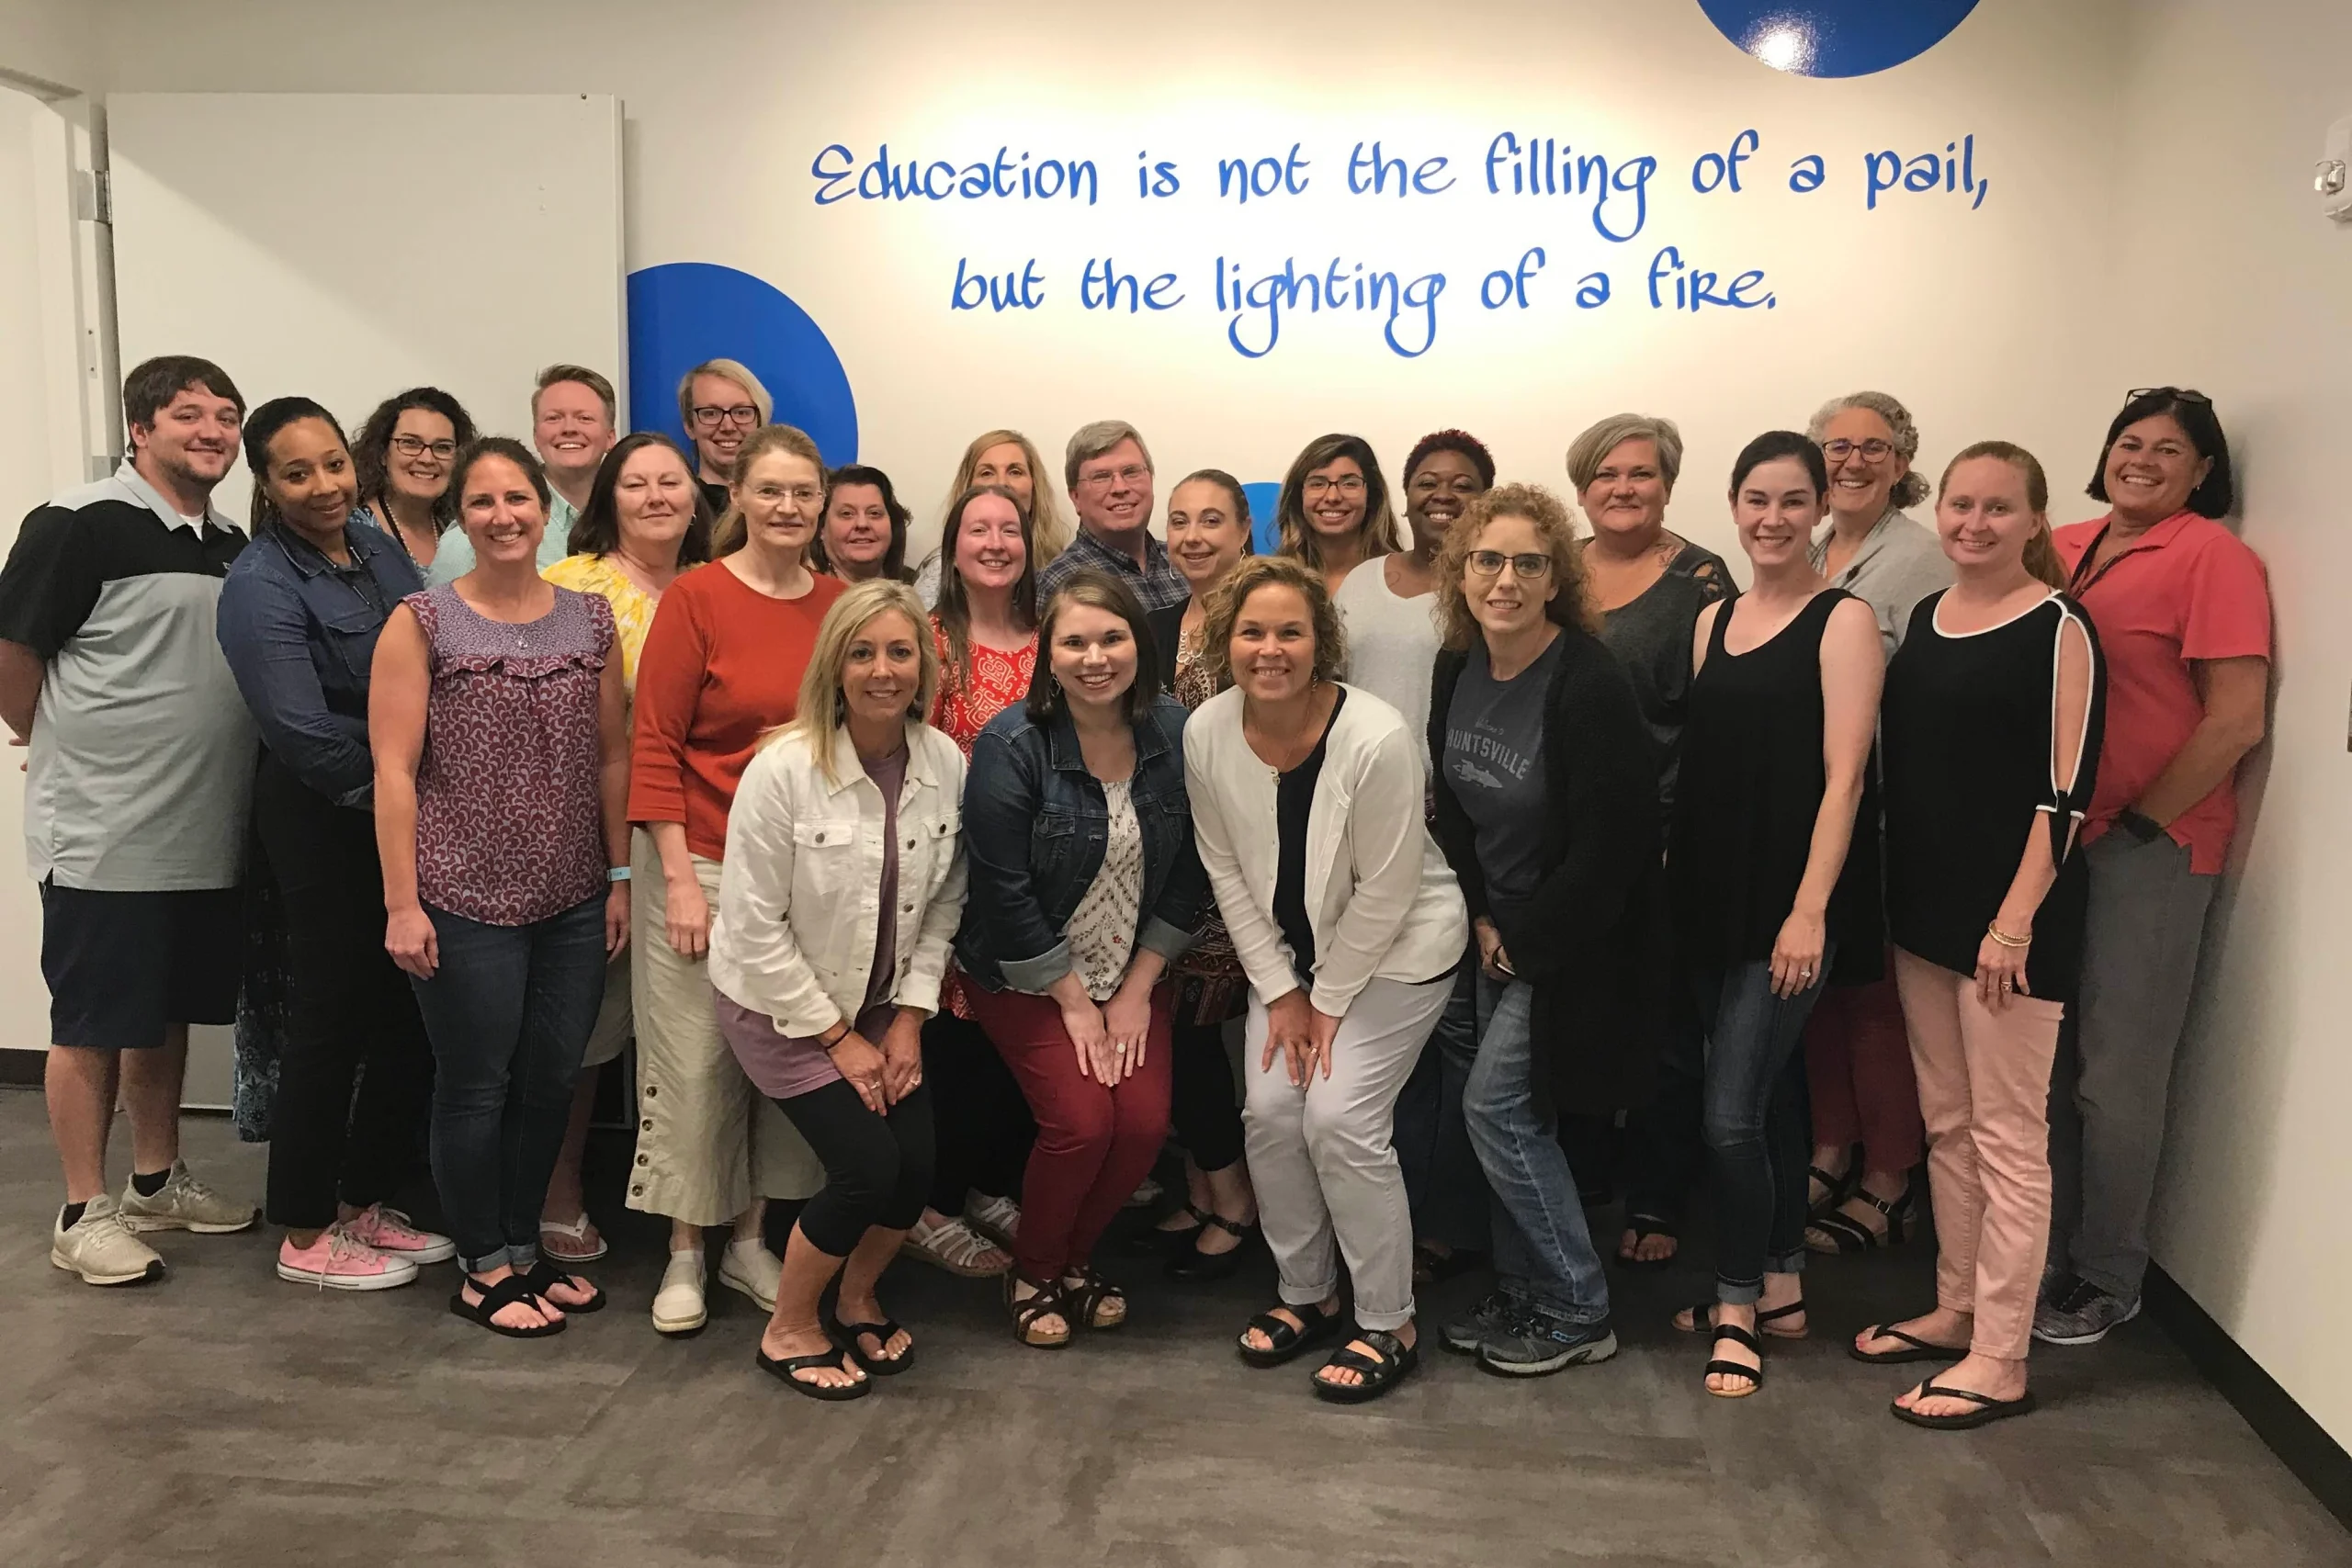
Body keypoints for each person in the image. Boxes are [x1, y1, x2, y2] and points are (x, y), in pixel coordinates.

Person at [1853, 442, 2104, 1429]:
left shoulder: (2058, 627)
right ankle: (1957, 1307)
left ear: (2034, 521)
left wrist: (2012, 922)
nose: (1974, 523)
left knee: (2008, 1139)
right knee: (1946, 1124)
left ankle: (2001, 1355)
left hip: (2011, 928)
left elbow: (2065, 794)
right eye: (1960, 505)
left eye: (1999, 508)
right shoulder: (1928, 616)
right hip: (1923, 913)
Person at [0, 355, 260, 1283]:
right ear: (140, 426)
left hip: (204, 827)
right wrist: (54, 740)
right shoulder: (78, 524)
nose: (214, 433)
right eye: (189, 415)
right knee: (92, 1021)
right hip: (104, 831)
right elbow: (15, 652)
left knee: (161, 1017)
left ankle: (157, 1182)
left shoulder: (233, 541)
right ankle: (82, 1208)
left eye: (227, 418)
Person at [1185, 555, 1466, 1404]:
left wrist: (1327, 1004)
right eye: (1252, 632)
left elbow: (1387, 889)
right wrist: (1282, 992)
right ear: (1227, 641)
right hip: (1292, 967)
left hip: (1398, 952)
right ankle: (1307, 1291)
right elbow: (1225, 871)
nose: (1271, 649)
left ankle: (1388, 1318)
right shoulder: (1205, 731)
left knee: (1340, 1117)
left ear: (1323, 642)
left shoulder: (1376, 736)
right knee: (1269, 1111)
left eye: (1291, 632)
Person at [369, 438, 628, 1337]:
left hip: (571, 895)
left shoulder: (591, 624)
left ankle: (525, 1247)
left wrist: (620, 875)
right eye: (481, 502)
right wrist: (403, 903)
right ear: (460, 518)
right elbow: (393, 773)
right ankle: (482, 1265)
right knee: (475, 1084)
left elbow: (611, 757)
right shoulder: (423, 621)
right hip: (460, 895)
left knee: (550, 1082)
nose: (504, 515)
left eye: (517, 497)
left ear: (543, 509)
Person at [2037, 389, 2269, 1347]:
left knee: (2115, 1075)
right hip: (2051, 847)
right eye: (2128, 442)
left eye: (2168, 449)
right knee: (2043, 1070)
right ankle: (2039, 1255)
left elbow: (2235, 719)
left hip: (2150, 850)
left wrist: (2136, 824)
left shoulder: (2213, 558)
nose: (2142, 460)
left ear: (2203, 470)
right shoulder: (2062, 545)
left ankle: (2105, 1274)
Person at [1426, 484, 1667, 1375]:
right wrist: (1485, 912)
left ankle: (1576, 1304)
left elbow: (1615, 847)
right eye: (1488, 560)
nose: (1506, 580)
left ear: (1555, 577)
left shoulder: (1586, 681)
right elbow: (1452, 803)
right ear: (1462, 572)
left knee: (1497, 1111)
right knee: (1508, 1111)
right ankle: (1524, 1289)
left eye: (1529, 563)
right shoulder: (1457, 664)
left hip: (1574, 945)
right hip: (1500, 928)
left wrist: (1524, 940)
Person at [710, 581, 969, 1399]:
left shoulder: (943, 760)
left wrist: (908, 1020)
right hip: (778, 1004)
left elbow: (945, 901)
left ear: (924, 666)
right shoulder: (783, 767)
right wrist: (837, 1036)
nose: (883, 670)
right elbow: (752, 926)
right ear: (835, 664)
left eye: (900, 652)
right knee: (865, 1164)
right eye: (863, 652)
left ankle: (857, 1296)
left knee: (918, 1161)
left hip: (883, 1002)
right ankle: (788, 1326)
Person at [216, 397, 449, 1290]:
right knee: (328, 1015)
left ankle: (362, 1202)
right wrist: (403, 788)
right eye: (296, 472)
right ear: (268, 486)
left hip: (398, 803)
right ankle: (307, 1231)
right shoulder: (259, 582)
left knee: (401, 1009)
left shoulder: (372, 544)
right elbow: (302, 733)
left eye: (332, 465)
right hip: (326, 813)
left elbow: (431, 647)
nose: (322, 486)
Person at [1668, 431, 1883, 1397]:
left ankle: (1734, 1303)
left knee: (1727, 1118)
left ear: (1819, 509)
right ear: (1733, 503)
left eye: (1792, 501)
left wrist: (1808, 912)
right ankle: (1784, 1286)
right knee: (1772, 1098)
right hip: (1711, 895)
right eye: (1756, 499)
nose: (1771, 518)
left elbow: (1845, 782)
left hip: (1789, 904)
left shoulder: (1844, 621)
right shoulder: (1712, 620)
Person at [628, 423, 842, 1334]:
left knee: (779, 1061)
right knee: (697, 1062)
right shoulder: (696, 598)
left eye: (803, 493)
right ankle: (685, 1253)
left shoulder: (838, 604)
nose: (788, 507)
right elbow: (654, 745)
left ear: (821, 504)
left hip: (803, 872)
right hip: (701, 859)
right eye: (771, 491)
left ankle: (752, 1244)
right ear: (741, 500)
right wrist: (677, 878)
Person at [956, 570, 1204, 1348]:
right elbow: (1002, 894)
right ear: (1049, 655)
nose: (1095, 657)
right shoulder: (1011, 743)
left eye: (1112, 637)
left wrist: (1136, 988)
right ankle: (1036, 1269)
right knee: (1081, 1122)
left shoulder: (1177, 729)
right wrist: (1071, 999)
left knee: (1141, 1126)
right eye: (1074, 641)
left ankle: (1072, 1258)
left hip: (1135, 969)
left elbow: (1196, 867)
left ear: (1141, 644)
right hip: (1028, 971)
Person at [536, 433, 716, 1265]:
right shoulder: (570, 588)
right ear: (607, 498)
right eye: (635, 483)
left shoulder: (718, 586)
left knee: (700, 1028)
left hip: (705, 836)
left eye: (669, 482)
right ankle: (559, 1187)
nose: (654, 497)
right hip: (595, 833)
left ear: (694, 496)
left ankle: (706, 1201)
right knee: (588, 1026)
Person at [1563, 413, 1736, 1270]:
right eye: (1606, 475)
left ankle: (1661, 1192)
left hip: (1662, 838)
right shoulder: (1558, 571)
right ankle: (1587, 1170)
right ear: (1582, 486)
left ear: (1668, 482)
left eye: (1641, 474)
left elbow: (1717, 722)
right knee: (1580, 1013)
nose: (1623, 488)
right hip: (1567, 841)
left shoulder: (1703, 580)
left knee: (1667, 1029)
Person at [1798, 390, 1951, 1255]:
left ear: (1901, 462)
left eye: (1873, 448)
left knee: (1877, 1002)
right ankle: (1832, 1144)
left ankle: (1890, 1177)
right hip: (1814, 807)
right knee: (1817, 990)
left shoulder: (1922, 561)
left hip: (1884, 811)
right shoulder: (1813, 544)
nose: (1851, 461)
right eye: (1836, 446)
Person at [1342, 428, 1495, 1286]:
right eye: (1428, 481)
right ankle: (1382, 1217)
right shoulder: (1366, 580)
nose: (1443, 494)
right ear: (1403, 493)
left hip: (1461, 827)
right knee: (1385, 1041)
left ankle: (1451, 1224)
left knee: (1459, 1041)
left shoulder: (1489, 582)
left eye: (1463, 483)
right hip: (1366, 829)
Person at [900, 483, 1044, 1280]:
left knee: (1013, 1049)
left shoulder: (1051, 638)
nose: (995, 542)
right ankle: (933, 1204)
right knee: (949, 1045)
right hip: (948, 871)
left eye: (1009, 529)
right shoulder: (927, 640)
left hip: (1037, 877)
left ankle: (991, 1185)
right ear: (951, 548)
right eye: (978, 529)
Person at [1139, 470, 1260, 1279]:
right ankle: (1200, 1183)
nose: (1192, 536)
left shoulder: (1268, 616)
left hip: (1243, 860)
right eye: (1178, 520)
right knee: (1175, 1038)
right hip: (1163, 854)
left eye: (1211, 519)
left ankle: (1238, 1198)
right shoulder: (1152, 623)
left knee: (1201, 1044)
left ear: (1245, 529)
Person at [430, 365, 618, 583]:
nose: (569, 429)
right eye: (554, 418)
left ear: (610, 437)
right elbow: (438, 613)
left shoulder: (630, 519)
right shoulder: (478, 533)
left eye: (585, 418)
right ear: (536, 436)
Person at [1034, 421, 1187, 610]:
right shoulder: (1062, 581)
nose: (1120, 488)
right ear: (1076, 498)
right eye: (1101, 477)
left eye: (1131, 472)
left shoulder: (1185, 560)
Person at [912, 429, 1077, 604]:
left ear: (1034, 486)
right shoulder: (941, 571)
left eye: (1015, 472)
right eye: (986, 473)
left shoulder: (1059, 566)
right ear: (967, 488)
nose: (1001, 483)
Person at [352, 387, 477, 581]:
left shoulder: (461, 528)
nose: (427, 459)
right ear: (383, 453)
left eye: (442, 447)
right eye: (411, 443)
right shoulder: (353, 532)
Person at [1274, 433, 1402, 599]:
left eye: (1349, 484)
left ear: (1372, 496)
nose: (1332, 497)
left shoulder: (1400, 580)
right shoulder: (1276, 582)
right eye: (1318, 483)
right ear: (1299, 496)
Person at [679, 358, 771, 516]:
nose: (728, 427)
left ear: (760, 422)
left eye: (741, 412)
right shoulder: (679, 510)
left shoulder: (781, 506)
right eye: (710, 413)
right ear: (689, 425)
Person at [813, 464, 914, 583]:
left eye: (874, 513)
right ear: (821, 528)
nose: (862, 524)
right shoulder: (802, 591)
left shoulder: (918, 587)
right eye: (847, 514)